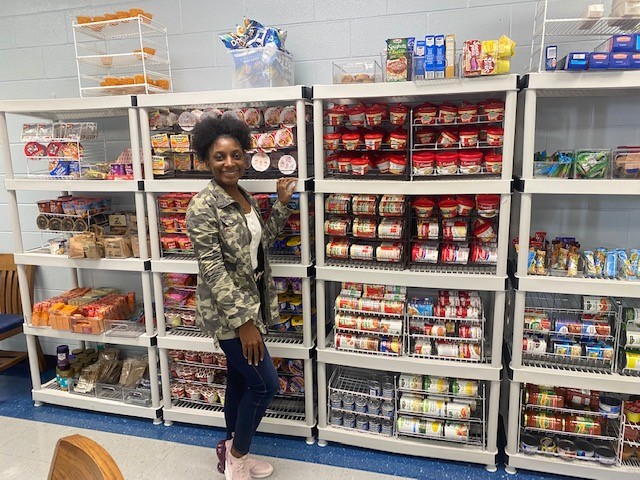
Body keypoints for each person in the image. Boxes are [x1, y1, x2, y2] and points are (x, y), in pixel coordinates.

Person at [186, 116, 297, 480]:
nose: (229, 162)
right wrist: (245, 323)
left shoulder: (243, 196)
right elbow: (213, 270)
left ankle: (229, 447)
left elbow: (259, 243)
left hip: (252, 304)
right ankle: (238, 458)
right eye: (219, 157)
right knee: (266, 384)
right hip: (228, 315)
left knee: (239, 379)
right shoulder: (202, 206)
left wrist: (282, 205)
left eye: (236, 154)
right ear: (205, 160)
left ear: (246, 156)